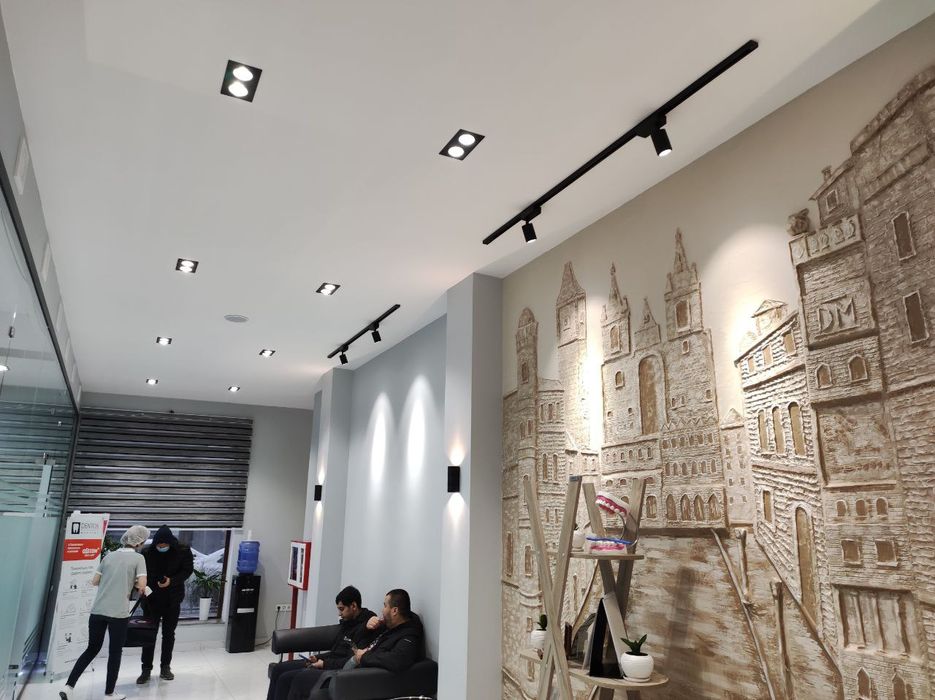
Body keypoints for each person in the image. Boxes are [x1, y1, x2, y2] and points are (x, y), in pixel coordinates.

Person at [60, 525, 149, 700]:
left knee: (91, 649)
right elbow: (141, 585)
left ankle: (68, 686)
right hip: (118, 614)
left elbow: (95, 581)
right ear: (139, 542)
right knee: (115, 652)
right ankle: (109, 693)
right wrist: (132, 583)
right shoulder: (139, 558)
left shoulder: (109, 556)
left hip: (98, 611)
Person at [305, 588, 425, 700]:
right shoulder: (388, 626)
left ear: (394, 611)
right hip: (349, 666)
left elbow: (397, 660)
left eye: (385, 606)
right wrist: (367, 627)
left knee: (306, 681)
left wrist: (364, 656)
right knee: (301, 675)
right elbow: (351, 642)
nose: (382, 610)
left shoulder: (408, 636)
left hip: (357, 676)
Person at [269, 586, 376, 700]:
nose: (339, 614)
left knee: (285, 679)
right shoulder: (347, 623)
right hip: (326, 662)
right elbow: (336, 651)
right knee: (278, 669)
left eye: (342, 609)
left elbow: (350, 660)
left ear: (353, 606)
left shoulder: (368, 627)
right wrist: (318, 657)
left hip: (335, 669)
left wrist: (324, 664)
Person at [136, 525, 194, 684]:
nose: (161, 547)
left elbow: (187, 570)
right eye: (159, 545)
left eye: (164, 545)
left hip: (172, 599)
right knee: (149, 635)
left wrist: (171, 581)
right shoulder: (147, 552)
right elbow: (141, 573)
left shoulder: (183, 550)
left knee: (168, 635)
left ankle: (165, 667)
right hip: (151, 600)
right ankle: (146, 669)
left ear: (170, 543)